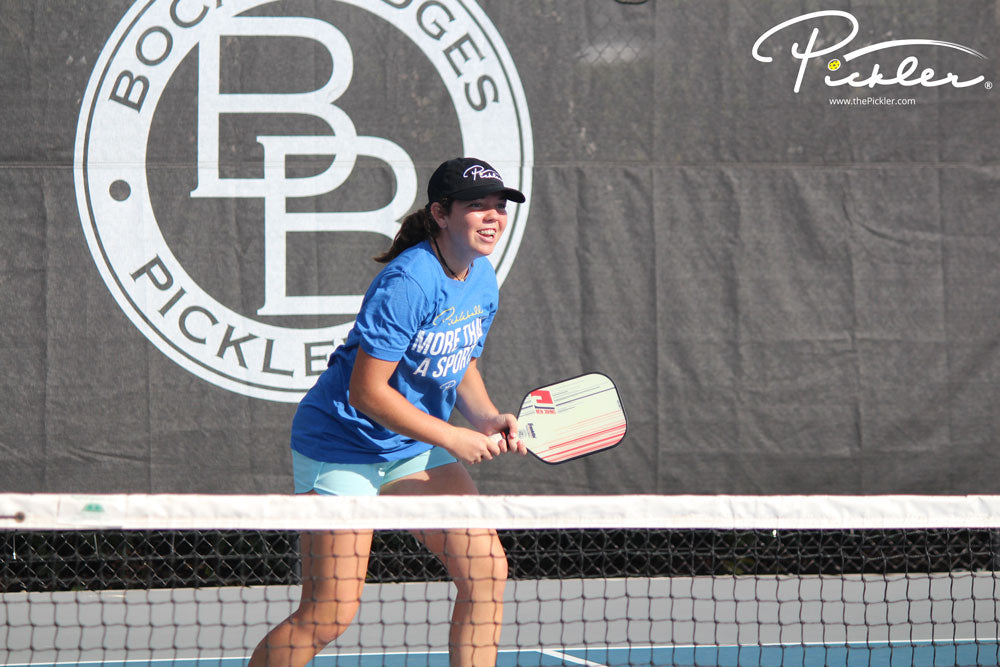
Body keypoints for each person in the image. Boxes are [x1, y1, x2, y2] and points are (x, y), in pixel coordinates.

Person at [247, 157, 528, 667]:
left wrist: (484, 416)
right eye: (476, 206)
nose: (492, 217)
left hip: (412, 448)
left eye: (498, 207)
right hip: (342, 447)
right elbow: (367, 394)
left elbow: (457, 358)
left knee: (485, 572)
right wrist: (451, 436)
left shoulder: (480, 277)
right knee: (329, 612)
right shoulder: (408, 282)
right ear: (442, 214)